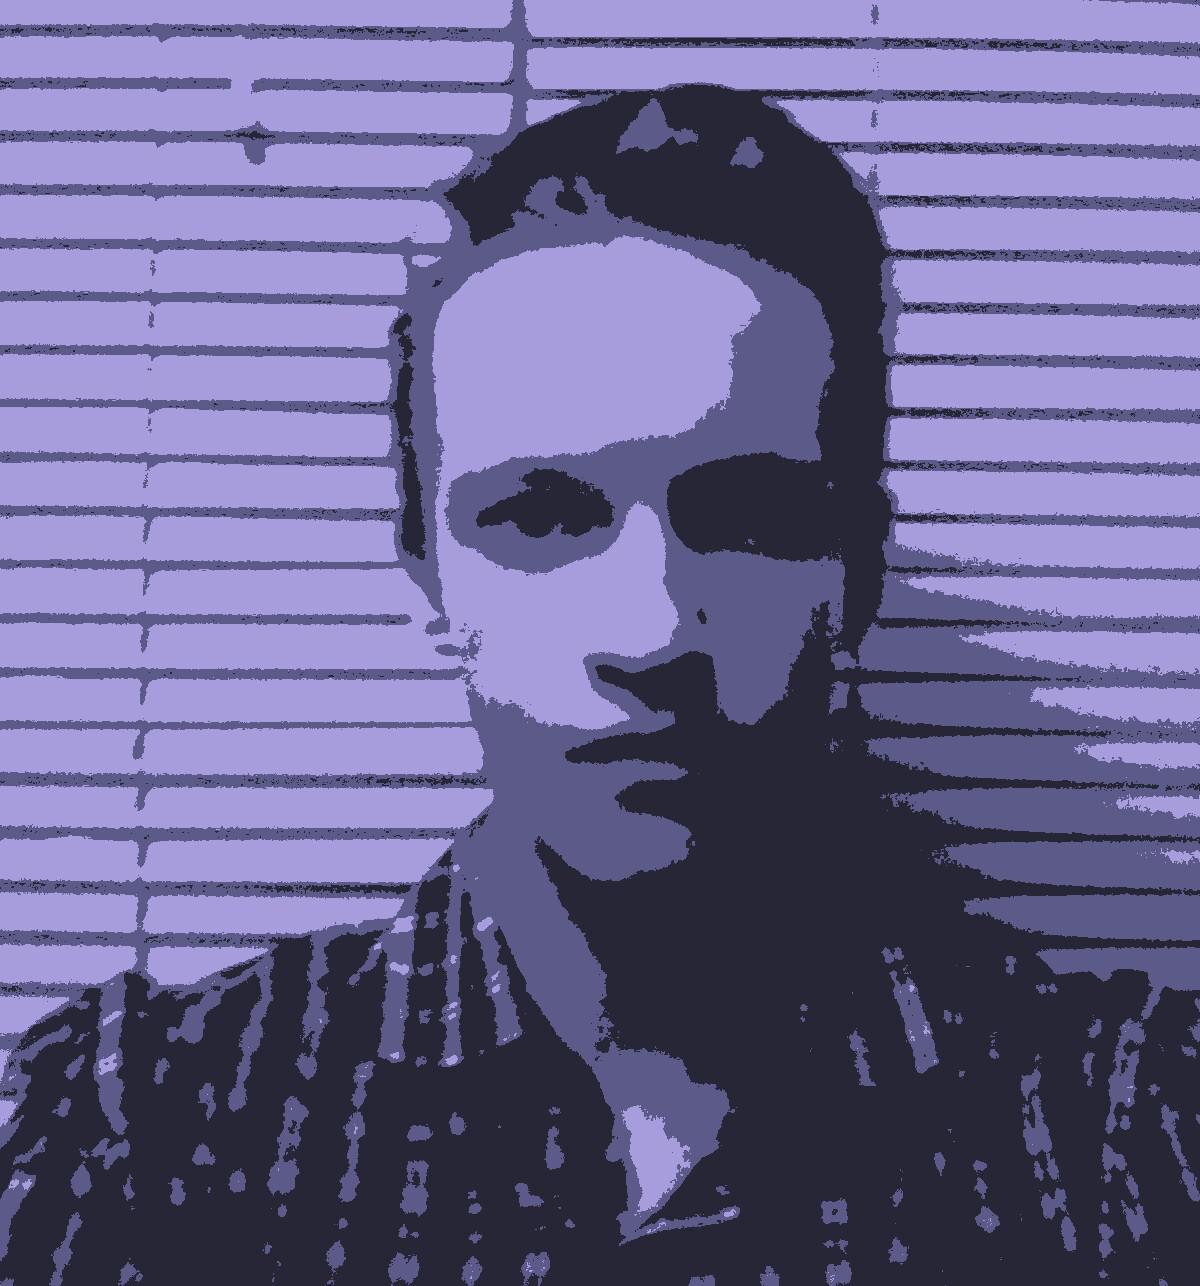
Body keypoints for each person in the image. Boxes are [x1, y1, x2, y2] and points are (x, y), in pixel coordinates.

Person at [0, 86, 1195, 1285]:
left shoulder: (1115, 1135)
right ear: (427, 573)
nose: (653, 629)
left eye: (747, 515)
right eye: (539, 516)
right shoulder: (150, 1127)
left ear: (860, 573)